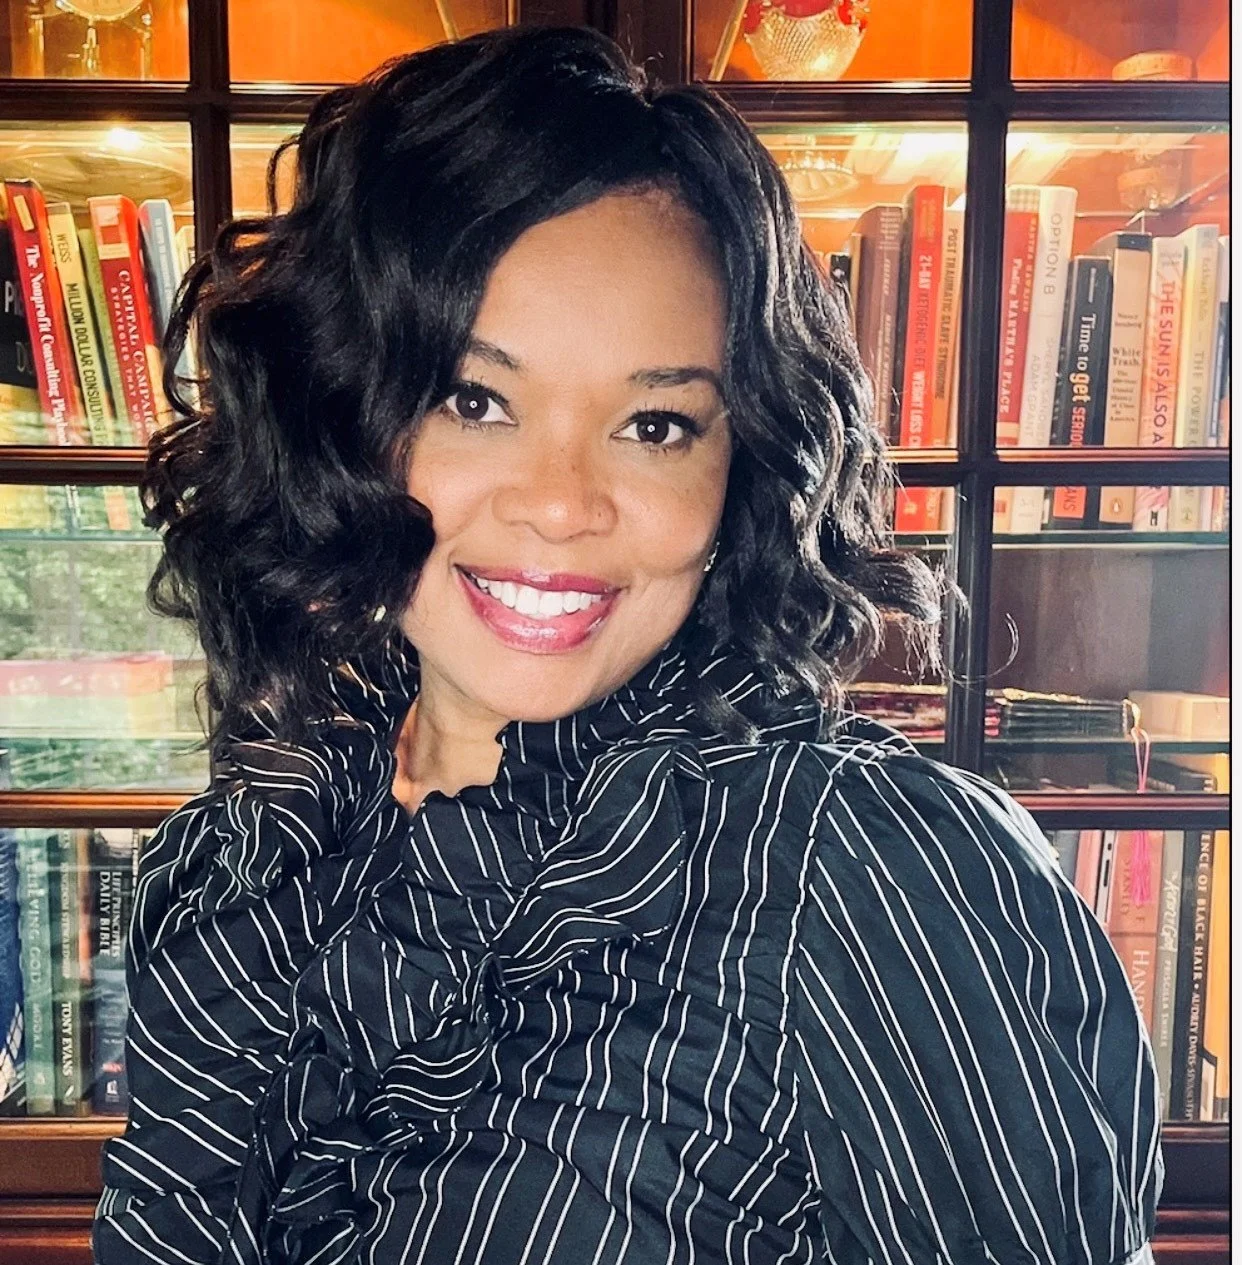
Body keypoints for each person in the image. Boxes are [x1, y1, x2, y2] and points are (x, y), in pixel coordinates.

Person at [92, 23, 1163, 1265]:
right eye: (476, 400)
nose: (562, 503)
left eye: (656, 424)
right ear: (344, 420)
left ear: (741, 468)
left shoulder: (860, 876)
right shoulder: (234, 864)